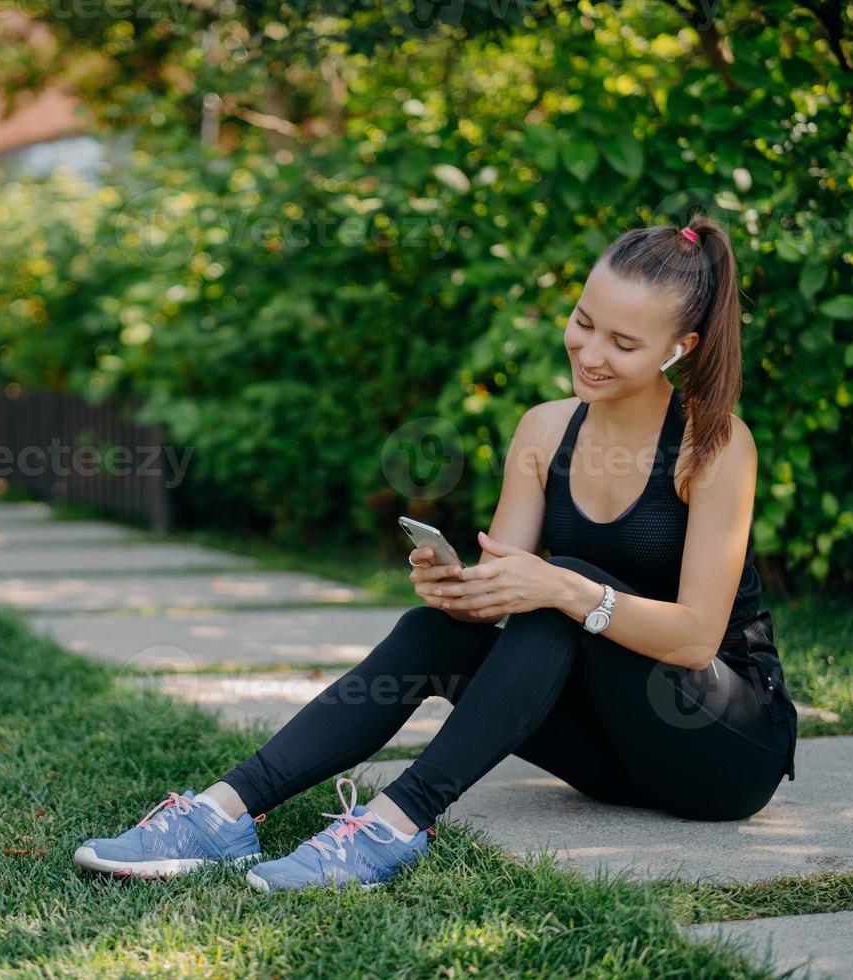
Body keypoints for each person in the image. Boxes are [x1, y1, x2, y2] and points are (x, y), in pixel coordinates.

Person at [72, 217, 800, 892]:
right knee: (447, 627)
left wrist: (562, 589)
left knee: (559, 589)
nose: (589, 351)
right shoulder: (545, 431)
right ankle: (222, 814)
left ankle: (392, 828)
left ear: (683, 348)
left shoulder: (715, 444)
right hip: (615, 759)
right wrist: (459, 587)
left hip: (722, 750)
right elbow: (505, 588)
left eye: (624, 343)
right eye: (583, 323)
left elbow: (699, 636)